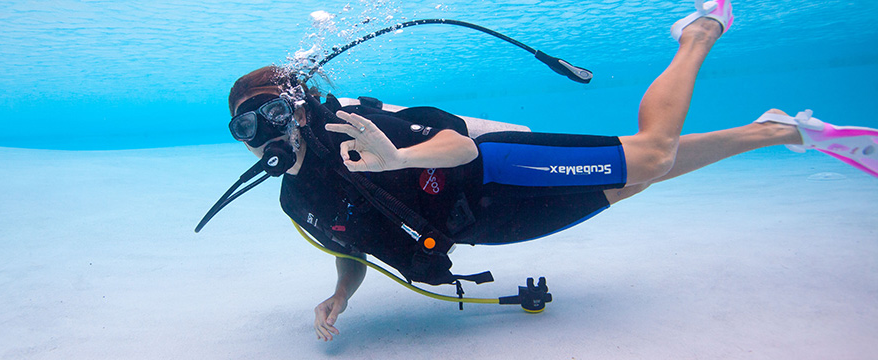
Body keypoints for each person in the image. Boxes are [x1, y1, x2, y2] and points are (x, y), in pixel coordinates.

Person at [224, 0, 876, 341]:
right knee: (649, 170)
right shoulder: (294, 202)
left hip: (495, 170)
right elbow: (351, 241)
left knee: (649, 153)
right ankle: (787, 130)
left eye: (271, 116)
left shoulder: (351, 130)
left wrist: (397, 158)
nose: (263, 138)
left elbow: (457, 146)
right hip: (489, 225)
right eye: (245, 128)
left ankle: (699, 33)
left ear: (300, 110)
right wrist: (341, 294)